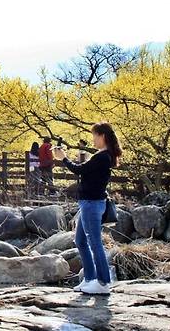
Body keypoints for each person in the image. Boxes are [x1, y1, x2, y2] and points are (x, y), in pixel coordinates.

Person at [52, 122, 122, 295]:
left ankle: (104, 283)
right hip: (89, 204)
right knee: (81, 241)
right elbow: (86, 171)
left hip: (92, 204)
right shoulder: (102, 156)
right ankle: (90, 278)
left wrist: (64, 159)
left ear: (102, 136)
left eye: (95, 136)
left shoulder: (103, 157)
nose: (93, 139)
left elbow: (80, 170)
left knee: (95, 242)